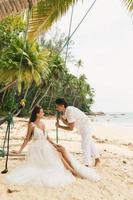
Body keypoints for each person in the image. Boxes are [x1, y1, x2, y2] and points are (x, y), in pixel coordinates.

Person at [5, 105, 100, 187]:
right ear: (37, 114)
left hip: (45, 144)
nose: (43, 113)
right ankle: (73, 171)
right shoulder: (32, 124)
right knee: (58, 153)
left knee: (62, 149)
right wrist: (19, 151)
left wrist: (54, 144)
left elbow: (47, 137)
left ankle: (73, 168)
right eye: (42, 112)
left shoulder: (42, 123)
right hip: (38, 147)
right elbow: (27, 139)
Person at [55, 98, 100, 167]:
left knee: (85, 145)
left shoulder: (69, 111)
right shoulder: (66, 111)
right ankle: (97, 159)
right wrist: (61, 120)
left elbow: (71, 128)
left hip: (86, 126)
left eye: (57, 106)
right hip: (82, 127)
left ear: (62, 105)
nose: (56, 108)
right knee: (89, 143)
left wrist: (60, 126)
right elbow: (69, 123)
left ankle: (86, 164)